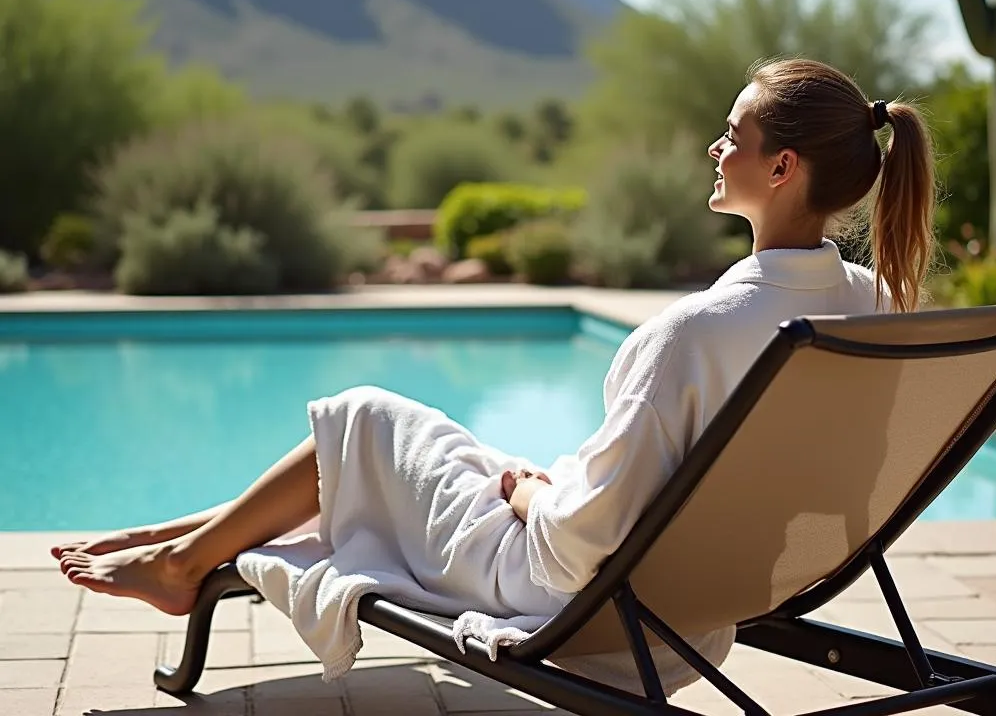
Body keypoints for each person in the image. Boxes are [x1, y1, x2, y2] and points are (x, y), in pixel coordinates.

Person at [52, 57, 935, 685]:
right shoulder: (871, 307)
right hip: (717, 583)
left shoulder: (695, 334)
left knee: (365, 417)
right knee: (430, 454)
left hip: (570, 589)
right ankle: (174, 545)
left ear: (781, 168)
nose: (715, 148)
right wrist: (548, 489)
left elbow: (577, 541)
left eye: (731, 134)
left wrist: (525, 497)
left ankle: (179, 565)